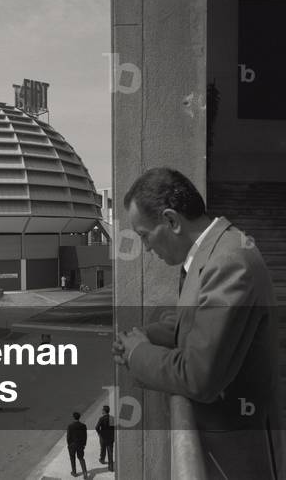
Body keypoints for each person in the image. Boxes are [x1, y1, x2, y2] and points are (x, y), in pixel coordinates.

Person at [113, 167, 280, 478]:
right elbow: (195, 321)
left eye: (144, 236)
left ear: (172, 221)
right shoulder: (210, 252)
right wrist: (143, 336)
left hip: (233, 456)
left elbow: (198, 376)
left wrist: (137, 352)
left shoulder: (229, 262)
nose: (146, 249)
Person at [67, 411, 88, 477]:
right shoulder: (83, 426)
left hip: (72, 445)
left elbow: (68, 437)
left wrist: (69, 445)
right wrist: (84, 444)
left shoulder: (70, 426)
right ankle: (85, 473)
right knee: (81, 458)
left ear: (73, 418)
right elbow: (85, 436)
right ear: (79, 417)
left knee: (72, 458)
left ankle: (74, 472)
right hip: (80, 444)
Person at [95, 405, 115, 471]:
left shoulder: (101, 418)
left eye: (102, 410)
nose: (101, 411)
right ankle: (111, 467)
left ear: (104, 411)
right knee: (110, 452)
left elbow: (96, 427)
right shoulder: (112, 418)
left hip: (103, 437)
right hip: (110, 437)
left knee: (103, 449)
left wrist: (99, 433)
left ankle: (102, 459)